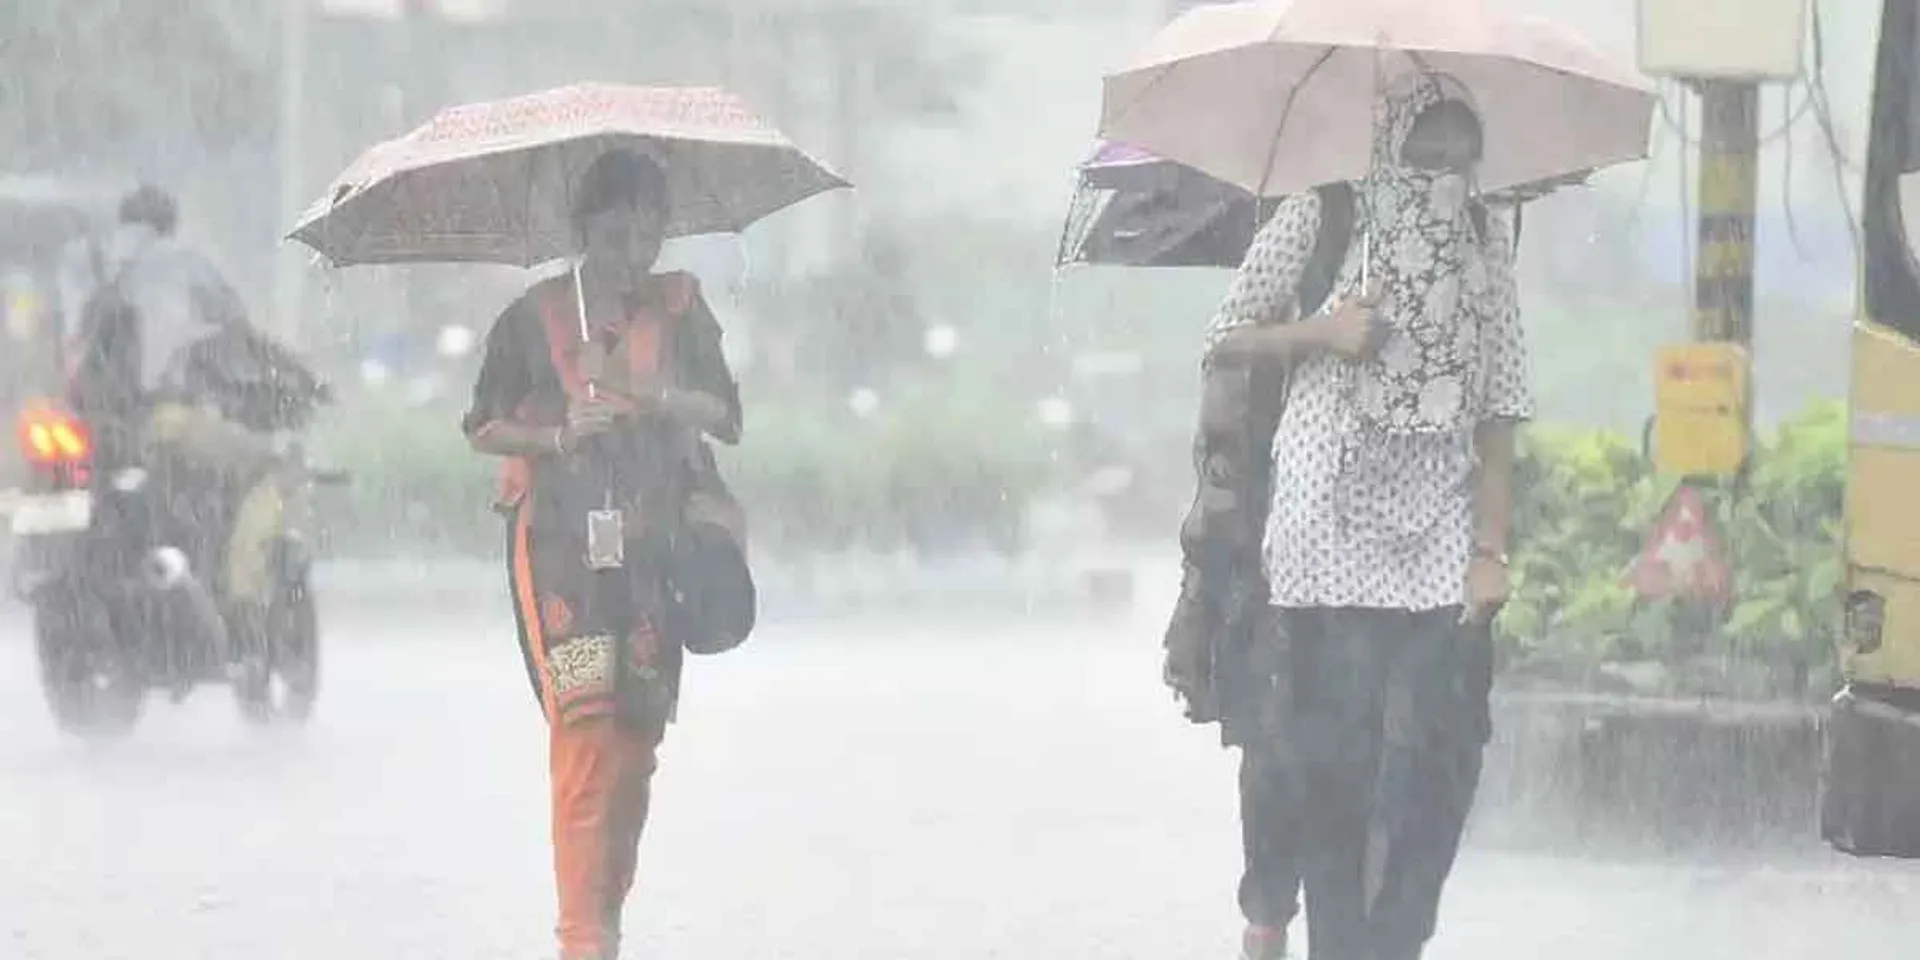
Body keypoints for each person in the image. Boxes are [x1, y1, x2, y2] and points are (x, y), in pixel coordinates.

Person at [1196, 72, 1531, 960]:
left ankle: (1397, 938)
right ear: (1389, 143)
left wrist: (1490, 550)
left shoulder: (1482, 238)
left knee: (1436, 756)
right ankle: (1336, 943)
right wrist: (1323, 333)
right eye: (1428, 149)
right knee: (1330, 763)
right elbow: (1224, 334)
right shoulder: (1324, 215)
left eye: (1462, 152)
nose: (1444, 169)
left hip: (1437, 526)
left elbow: (1500, 402)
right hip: (1322, 526)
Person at [460, 148, 753, 960]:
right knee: (586, 735)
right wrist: (559, 433)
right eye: (616, 236)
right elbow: (482, 425)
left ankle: (605, 920)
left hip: (654, 545)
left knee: (636, 743)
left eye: (647, 238)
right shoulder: (533, 318)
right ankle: (580, 938)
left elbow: (727, 416)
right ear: (585, 229)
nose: (632, 256)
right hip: (560, 548)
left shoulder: (683, 311)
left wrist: (654, 398)